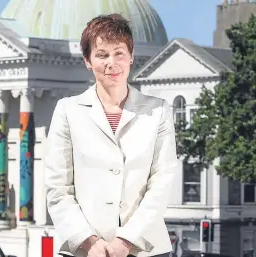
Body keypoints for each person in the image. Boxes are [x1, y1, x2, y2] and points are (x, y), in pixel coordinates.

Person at [44, 13, 178, 257]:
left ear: (131, 57)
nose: (111, 63)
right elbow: (57, 187)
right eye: (102, 55)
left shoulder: (158, 110)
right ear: (87, 60)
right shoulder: (67, 110)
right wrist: (89, 241)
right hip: (85, 250)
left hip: (144, 248)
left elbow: (161, 183)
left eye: (119, 53)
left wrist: (125, 241)